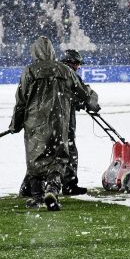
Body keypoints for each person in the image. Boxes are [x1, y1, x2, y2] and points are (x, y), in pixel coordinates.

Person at [9, 37, 100, 211]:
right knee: (58, 159)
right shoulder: (64, 70)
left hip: (34, 123)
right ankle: (52, 190)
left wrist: (16, 124)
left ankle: (37, 197)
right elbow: (84, 92)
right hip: (59, 122)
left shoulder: (30, 71)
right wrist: (92, 103)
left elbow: (21, 101)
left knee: (35, 160)